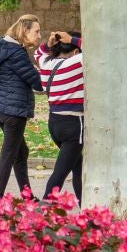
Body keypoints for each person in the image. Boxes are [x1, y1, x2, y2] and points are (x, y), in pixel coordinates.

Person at [0, 15, 45, 199]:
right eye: (37, 31)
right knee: (8, 156)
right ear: (25, 31)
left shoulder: (3, 44)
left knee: (20, 152)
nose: (39, 35)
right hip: (13, 112)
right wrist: (41, 71)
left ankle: (27, 196)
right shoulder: (18, 53)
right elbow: (37, 84)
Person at [37, 29, 84, 202]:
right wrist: (73, 39)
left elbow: (38, 52)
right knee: (60, 173)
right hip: (74, 124)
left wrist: (48, 45)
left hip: (54, 123)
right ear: (75, 51)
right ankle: (44, 211)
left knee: (78, 166)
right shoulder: (77, 62)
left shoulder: (46, 63)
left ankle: (86, 212)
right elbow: (98, 50)